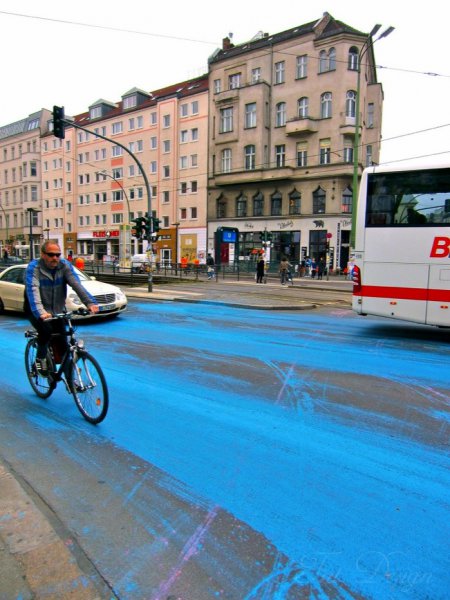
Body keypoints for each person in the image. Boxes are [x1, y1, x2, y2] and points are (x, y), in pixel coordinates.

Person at [25, 241, 99, 376]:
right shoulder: (34, 268)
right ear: (42, 254)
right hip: (35, 308)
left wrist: (90, 303)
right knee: (46, 332)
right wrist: (41, 312)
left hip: (57, 309)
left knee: (64, 343)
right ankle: (40, 360)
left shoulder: (64, 265)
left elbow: (77, 284)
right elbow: (33, 290)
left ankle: (70, 379)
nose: (55, 258)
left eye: (58, 255)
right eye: (51, 255)